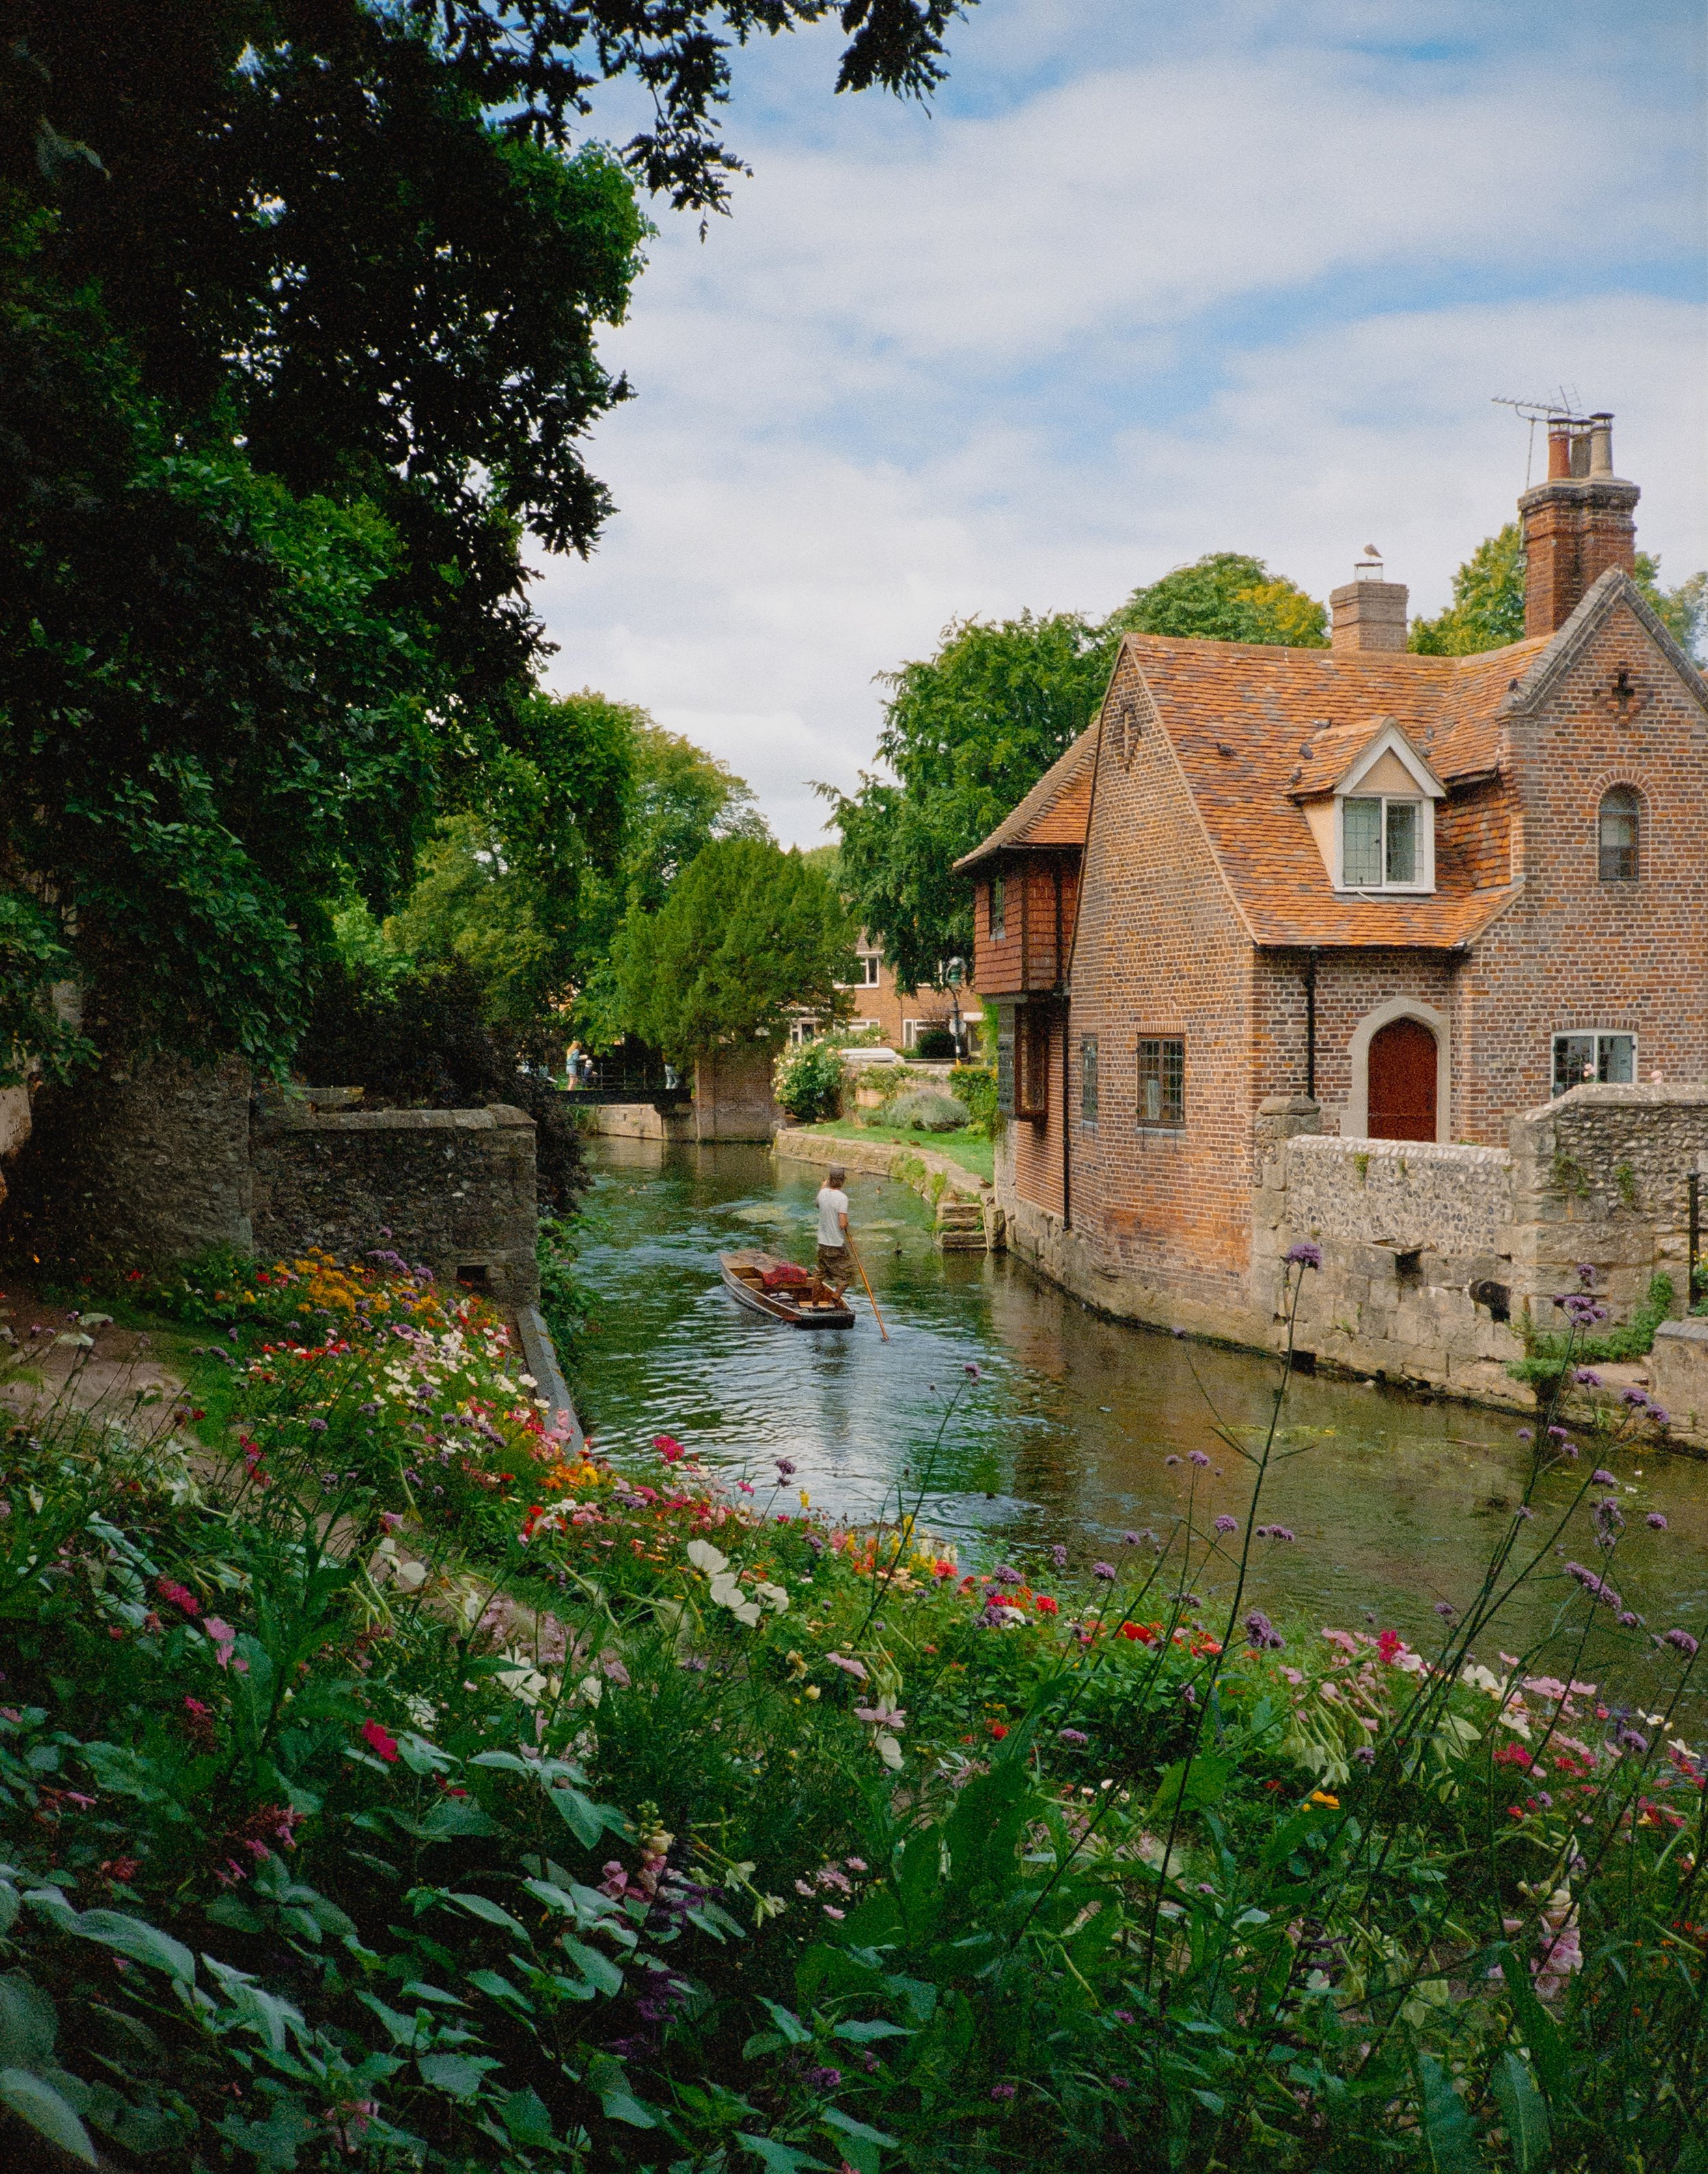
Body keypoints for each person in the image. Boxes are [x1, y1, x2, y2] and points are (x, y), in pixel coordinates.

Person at [814, 1165, 852, 1303]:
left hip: (822, 1243)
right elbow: (842, 1224)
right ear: (842, 1181)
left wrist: (823, 1187)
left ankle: (815, 1303)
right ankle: (834, 1300)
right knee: (847, 1277)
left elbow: (818, 1204)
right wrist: (846, 1225)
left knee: (819, 1275)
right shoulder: (843, 1198)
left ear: (830, 1179)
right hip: (836, 1244)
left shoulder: (822, 1194)